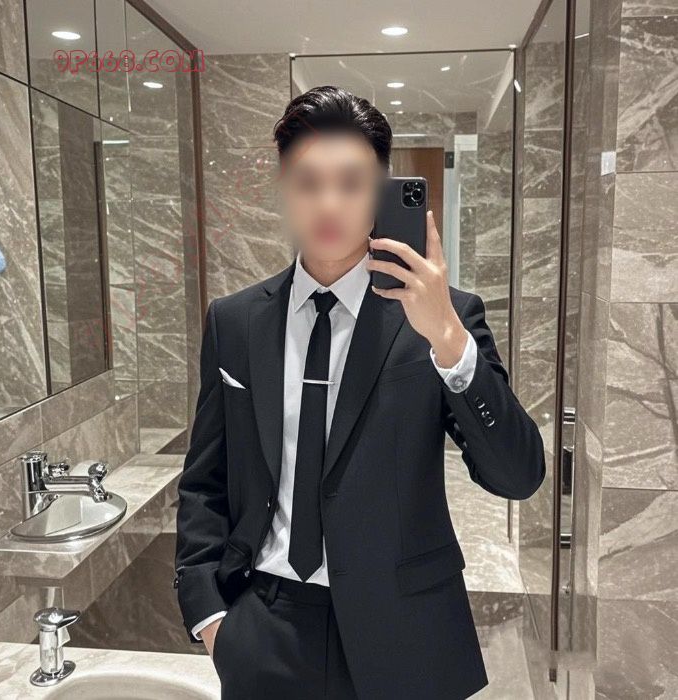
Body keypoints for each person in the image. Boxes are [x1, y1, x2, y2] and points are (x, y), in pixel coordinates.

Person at [174, 85, 545, 700]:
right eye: (308, 182)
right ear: (284, 188)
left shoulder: (444, 317)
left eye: (351, 183)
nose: (329, 203)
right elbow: (204, 480)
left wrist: (448, 341)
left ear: (378, 191)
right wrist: (212, 616)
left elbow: (518, 475)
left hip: (406, 630)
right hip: (264, 626)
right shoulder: (235, 322)